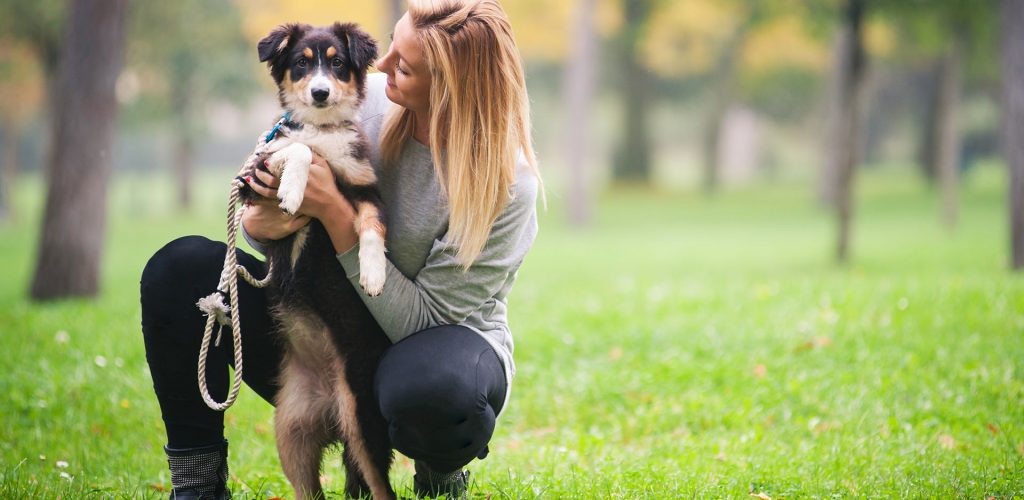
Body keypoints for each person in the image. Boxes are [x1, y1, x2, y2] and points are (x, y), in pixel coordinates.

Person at [139, 0, 542, 498]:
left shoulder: (507, 184)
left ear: (450, 89)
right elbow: (258, 224)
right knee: (179, 271)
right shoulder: (355, 94)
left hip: (426, 349)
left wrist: (334, 212)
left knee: (430, 389)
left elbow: (424, 321)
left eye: (405, 65)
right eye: (392, 46)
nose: (382, 66)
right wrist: (266, 216)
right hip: (317, 323)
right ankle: (197, 485)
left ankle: (439, 465)